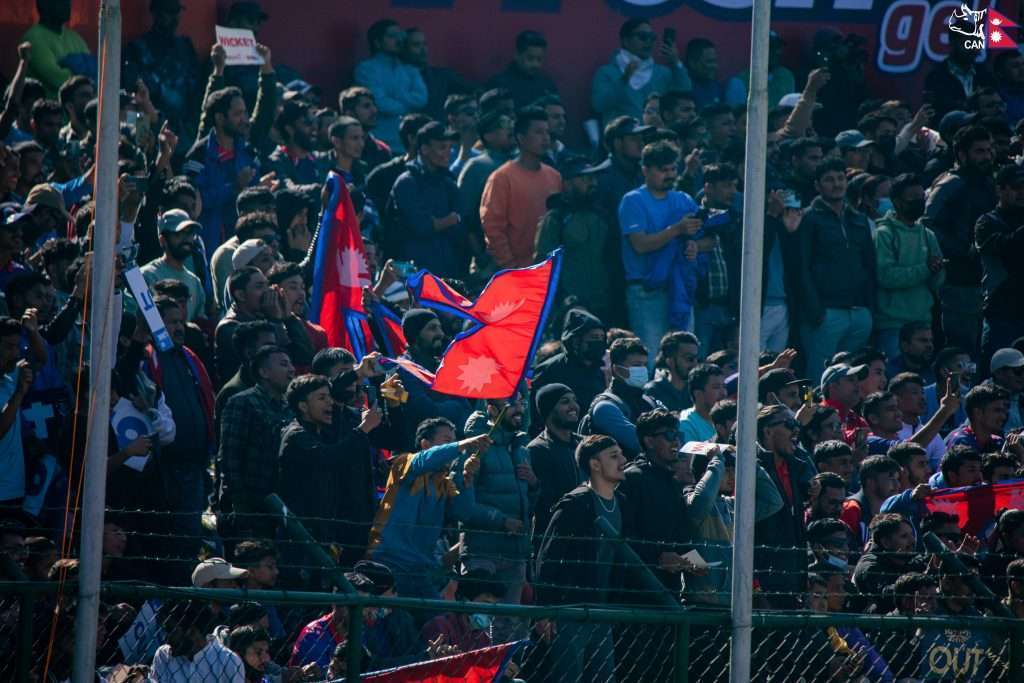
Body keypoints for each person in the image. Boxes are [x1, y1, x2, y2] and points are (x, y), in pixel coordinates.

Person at [535, 435, 628, 681]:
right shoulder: (575, 503)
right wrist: (544, 609)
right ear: (595, 464)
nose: (623, 460)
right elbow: (549, 556)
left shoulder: (622, 503)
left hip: (603, 611)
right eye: (614, 456)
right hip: (569, 610)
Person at [368, 419, 489, 599]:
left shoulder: (444, 483)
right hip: (388, 562)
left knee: (437, 615)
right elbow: (425, 460)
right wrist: (463, 444)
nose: (454, 447)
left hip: (420, 570)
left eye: (454, 441)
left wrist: (467, 480)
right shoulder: (404, 463)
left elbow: (464, 512)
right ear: (425, 444)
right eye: (447, 441)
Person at [451, 394, 535, 642]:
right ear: (491, 409)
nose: (519, 410)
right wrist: (501, 520)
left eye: (521, 403)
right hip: (482, 551)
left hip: (515, 552)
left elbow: (529, 501)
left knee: (510, 629)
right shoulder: (475, 446)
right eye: (512, 405)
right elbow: (461, 505)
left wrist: (534, 484)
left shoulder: (520, 447)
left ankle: (506, 667)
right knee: (477, 625)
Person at [618, 140, 703, 355]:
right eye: (663, 170)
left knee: (685, 356)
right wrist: (677, 230)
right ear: (645, 170)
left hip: (680, 289)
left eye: (673, 169)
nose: (670, 175)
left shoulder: (683, 199)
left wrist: (695, 245)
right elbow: (640, 244)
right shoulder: (633, 201)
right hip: (646, 293)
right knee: (651, 356)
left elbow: (709, 237)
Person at [797, 158, 876, 376]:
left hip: (859, 312)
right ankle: (810, 402)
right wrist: (816, 312)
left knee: (851, 379)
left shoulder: (858, 219)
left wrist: (869, 309)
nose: (837, 184)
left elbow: (870, 266)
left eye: (841, 178)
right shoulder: (808, 219)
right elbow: (801, 268)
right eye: (829, 180)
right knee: (817, 377)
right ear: (817, 185)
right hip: (826, 314)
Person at [923, 125, 997, 356]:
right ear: (962, 155)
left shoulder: (989, 182)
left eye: (989, 150)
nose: (987, 156)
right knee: (962, 347)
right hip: (958, 280)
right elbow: (928, 224)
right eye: (979, 151)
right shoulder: (950, 184)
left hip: (986, 279)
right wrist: (962, 248)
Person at [216, 345, 294, 540]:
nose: (292, 370)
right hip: (251, 506)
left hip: (282, 503)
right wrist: (240, 503)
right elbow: (230, 455)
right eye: (284, 364)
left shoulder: (289, 406)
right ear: (264, 372)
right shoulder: (242, 402)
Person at [873, 174, 944, 361]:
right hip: (892, 324)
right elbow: (886, 276)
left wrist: (937, 270)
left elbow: (936, 282)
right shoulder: (884, 235)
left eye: (922, 197)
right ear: (897, 202)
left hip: (923, 322)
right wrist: (926, 269)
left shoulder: (927, 235)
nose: (919, 202)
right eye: (913, 198)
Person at [480, 106, 561, 269]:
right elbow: (493, 228)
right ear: (520, 138)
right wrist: (510, 266)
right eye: (538, 132)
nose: (545, 138)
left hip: (550, 270)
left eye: (547, 132)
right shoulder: (502, 178)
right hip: (517, 271)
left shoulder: (554, 176)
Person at [534, 155, 612, 320]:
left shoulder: (601, 215)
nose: (592, 183)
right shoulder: (556, 219)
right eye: (585, 179)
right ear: (567, 183)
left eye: (593, 178)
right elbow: (543, 265)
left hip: (603, 302)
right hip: (569, 306)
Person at [755, 405, 816, 608]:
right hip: (762, 588)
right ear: (768, 431)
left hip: (792, 583)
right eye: (790, 424)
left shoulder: (796, 467)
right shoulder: (750, 469)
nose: (796, 429)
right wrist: (755, 589)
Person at [387, 121, 466, 278]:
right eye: (442, 147)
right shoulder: (406, 183)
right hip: (413, 272)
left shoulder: (448, 183)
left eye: (450, 147)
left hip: (447, 270)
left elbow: (460, 224)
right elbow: (422, 226)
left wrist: (443, 222)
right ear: (424, 149)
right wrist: (448, 220)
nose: (448, 153)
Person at [185, 86, 259, 252]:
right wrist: (234, 187)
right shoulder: (198, 156)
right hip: (210, 245)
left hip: (245, 245)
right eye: (237, 114)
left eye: (245, 113)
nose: (244, 119)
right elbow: (194, 202)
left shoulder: (248, 152)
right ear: (220, 118)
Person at [214, 266, 313, 382]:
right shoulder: (229, 328)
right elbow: (274, 364)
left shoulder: (264, 316)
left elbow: (304, 356)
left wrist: (289, 317)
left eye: (267, 285)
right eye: (259, 287)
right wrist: (275, 320)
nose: (268, 291)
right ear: (241, 295)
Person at [392, 308, 472, 448]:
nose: (440, 334)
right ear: (415, 334)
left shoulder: (441, 365)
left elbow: (466, 409)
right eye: (432, 328)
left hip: (455, 446)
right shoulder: (402, 369)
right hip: (424, 451)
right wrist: (455, 406)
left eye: (440, 328)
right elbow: (426, 411)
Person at [123, 0, 201, 144]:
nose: (175, 18)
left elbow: (197, 91)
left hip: (183, 129)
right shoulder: (136, 49)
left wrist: (194, 129)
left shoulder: (185, 47)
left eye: (177, 12)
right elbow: (132, 99)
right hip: (150, 127)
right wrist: (140, 137)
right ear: (156, 13)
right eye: (169, 12)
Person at [591, 18, 691, 126]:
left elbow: (685, 93)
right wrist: (623, 80)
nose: (648, 41)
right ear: (626, 41)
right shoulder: (606, 73)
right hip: (620, 134)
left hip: (654, 134)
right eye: (642, 37)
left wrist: (676, 63)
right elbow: (599, 105)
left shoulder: (662, 73)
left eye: (652, 37)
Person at [354, 19, 428, 153]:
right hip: (381, 141)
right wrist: (408, 106)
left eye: (400, 35)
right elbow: (380, 103)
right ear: (377, 42)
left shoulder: (409, 69)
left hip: (408, 142)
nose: (398, 40)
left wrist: (397, 96)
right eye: (392, 36)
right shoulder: (366, 69)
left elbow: (421, 99)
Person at [976, 164, 1024, 365]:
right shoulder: (987, 222)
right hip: (1002, 312)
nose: (1022, 192)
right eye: (1016, 187)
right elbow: (1003, 248)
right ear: (999, 189)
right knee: (998, 368)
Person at [527, 384, 582, 548]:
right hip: (554, 540)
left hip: (586, 536)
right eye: (565, 402)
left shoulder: (584, 444)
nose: (574, 406)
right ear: (549, 409)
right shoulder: (538, 450)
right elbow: (545, 501)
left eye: (574, 400)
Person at [588, 337, 660, 459]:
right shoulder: (605, 407)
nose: (643, 370)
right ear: (616, 369)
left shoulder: (650, 402)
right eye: (636, 365)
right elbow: (642, 443)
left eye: (644, 365)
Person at [152, 600, 244, 682]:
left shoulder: (228, 661)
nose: (166, 638)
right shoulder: (163, 655)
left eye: (171, 630)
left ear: (192, 632)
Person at [141, 210, 206, 322]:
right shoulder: (146, 275)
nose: (186, 239)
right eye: (178, 234)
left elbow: (199, 322)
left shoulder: (195, 282)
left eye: (190, 233)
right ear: (163, 240)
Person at [420, 569, 504, 654]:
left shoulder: (483, 639)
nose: (490, 612)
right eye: (486, 603)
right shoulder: (440, 626)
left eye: (494, 606)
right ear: (466, 600)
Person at [20, 0, 90, 98]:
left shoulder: (75, 37)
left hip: (78, 106)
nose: (67, 4)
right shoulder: (33, 38)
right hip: (46, 106)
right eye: (60, 1)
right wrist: (81, 72)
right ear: (44, 6)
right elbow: (58, 79)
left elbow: (93, 72)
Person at [851, 514, 919, 613]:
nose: (912, 540)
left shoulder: (908, 559)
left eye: (912, 534)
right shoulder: (870, 566)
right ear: (886, 542)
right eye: (904, 536)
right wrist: (916, 582)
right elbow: (884, 593)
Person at [0, 318, 33, 507]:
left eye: (17, 347)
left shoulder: (9, 376)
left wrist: (33, 332)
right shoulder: (15, 385)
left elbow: (42, 358)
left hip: (14, 489)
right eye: (9, 347)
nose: (16, 354)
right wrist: (19, 392)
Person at [890, 372, 950, 470]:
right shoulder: (888, 432)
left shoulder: (935, 436)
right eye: (915, 393)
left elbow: (942, 470)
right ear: (896, 399)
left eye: (922, 392)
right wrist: (944, 411)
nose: (922, 397)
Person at [486, 30, 559, 109]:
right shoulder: (499, 85)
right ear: (517, 55)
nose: (535, 64)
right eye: (530, 58)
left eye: (539, 59)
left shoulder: (547, 86)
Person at [839, 454, 901, 546]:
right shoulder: (851, 510)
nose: (897, 485)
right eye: (890, 478)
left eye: (897, 479)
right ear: (870, 482)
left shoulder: (893, 510)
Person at [944, 384, 1009, 455]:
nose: (1003, 417)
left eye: (1003, 411)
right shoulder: (960, 442)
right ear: (978, 413)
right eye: (997, 410)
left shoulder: (998, 442)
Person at [338, 86, 392, 171]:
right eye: (366, 106)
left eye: (374, 105)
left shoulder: (382, 151)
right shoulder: (337, 149)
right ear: (350, 113)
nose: (374, 110)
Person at [644, 331, 699, 413]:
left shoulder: (698, 391)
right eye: (689, 358)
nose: (695, 364)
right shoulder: (653, 391)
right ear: (670, 361)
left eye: (697, 359)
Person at [820, 363, 870, 445]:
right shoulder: (817, 417)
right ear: (833, 386)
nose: (858, 385)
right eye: (851, 380)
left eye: (858, 380)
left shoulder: (856, 419)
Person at [679, 363, 726, 445]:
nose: (724, 393)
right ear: (698, 394)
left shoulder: (728, 419)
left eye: (724, 386)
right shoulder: (686, 424)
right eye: (716, 387)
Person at [988, 347, 1024, 432]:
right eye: (1018, 370)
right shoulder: (982, 400)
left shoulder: (1021, 399)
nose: (1023, 375)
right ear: (999, 373)